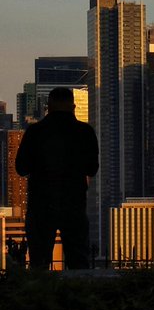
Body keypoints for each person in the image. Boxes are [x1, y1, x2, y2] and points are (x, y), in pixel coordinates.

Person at [14, 87, 99, 269]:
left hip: (41, 204)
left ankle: (42, 296)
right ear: (73, 106)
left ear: (49, 107)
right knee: (78, 263)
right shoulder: (85, 132)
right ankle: (77, 295)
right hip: (74, 204)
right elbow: (92, 169)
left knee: (39, 263)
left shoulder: (35, 132)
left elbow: (21, 168)